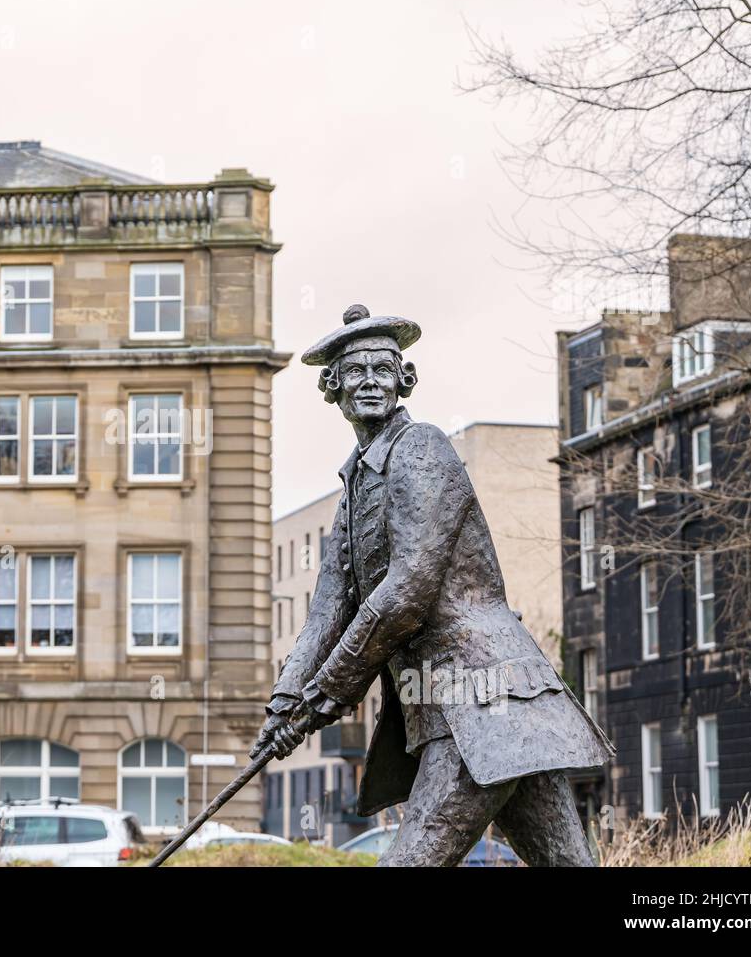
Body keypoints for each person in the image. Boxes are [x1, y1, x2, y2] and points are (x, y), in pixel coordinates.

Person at [254, 304, 613, 866]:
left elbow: (406, 593)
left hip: (481, 692)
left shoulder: (421, 449)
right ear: (333, 388)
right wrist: (283, 707)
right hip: (461, 704)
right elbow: (326, 612)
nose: (370, 382)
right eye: (355, 371)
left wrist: (323, 698)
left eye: (383, 369)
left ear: (404, 380)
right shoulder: (353, 487)